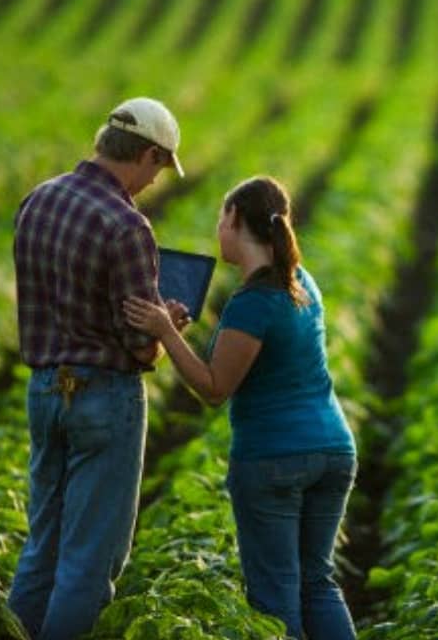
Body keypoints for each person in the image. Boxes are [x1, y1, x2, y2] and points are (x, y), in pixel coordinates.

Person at [123, 176, 358, 640]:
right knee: (318, 583)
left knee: (275, 595)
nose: (217, 227)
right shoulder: (301, 283)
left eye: (220, 218)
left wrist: (167, 334)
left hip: (275, 458)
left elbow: (214, 388)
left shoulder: (253, 304)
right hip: (334, 449)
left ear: (233, 220)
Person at [7, 97, 190, 640]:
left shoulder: (37, 202)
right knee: (89, 561)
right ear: (150, 154)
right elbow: (139, 345)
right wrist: (168, 328)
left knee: (43, 547)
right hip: (104, 398)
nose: (157, 181)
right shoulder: (127, 227)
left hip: (45, 389)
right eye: (161, 167)